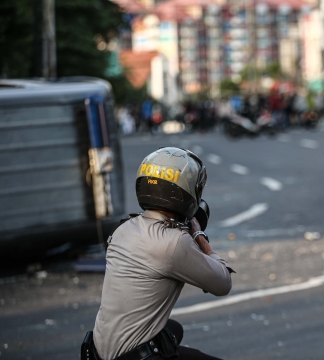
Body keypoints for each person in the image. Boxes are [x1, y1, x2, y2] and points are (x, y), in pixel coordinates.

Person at [90, 147, 234, 360]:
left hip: (99, 351)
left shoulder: (123, 228)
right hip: (130, 356)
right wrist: (199, 236)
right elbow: (223, 283)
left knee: (173, 329)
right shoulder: (174, 242)